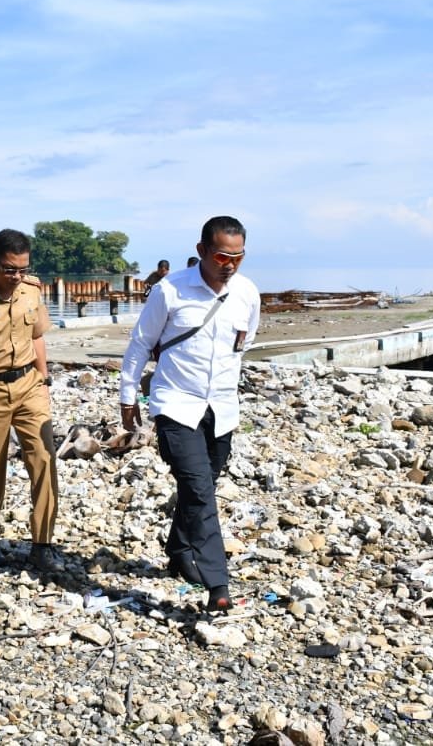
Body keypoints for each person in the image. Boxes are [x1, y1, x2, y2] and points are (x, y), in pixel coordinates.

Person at [118, 216, 260, 612]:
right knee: (199, 489)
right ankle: (217, 583)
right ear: (202, 251)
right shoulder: (170, 290)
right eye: (221, 256)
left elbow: (245, 343)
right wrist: (128, 397)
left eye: (238, 257)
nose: (229, 265)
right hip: (176, 404)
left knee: (203, 486)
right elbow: (140, 344)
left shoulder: (247, 293)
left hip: (222, 407)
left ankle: (179, 549)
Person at [0, 228, 61, 572]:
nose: (16, 276)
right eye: (9, 269)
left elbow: (37, 337)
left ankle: (43, 543)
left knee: (44, 459)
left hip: (29, 385)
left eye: (22, 269)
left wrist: (44, 380)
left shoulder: (31, 290)